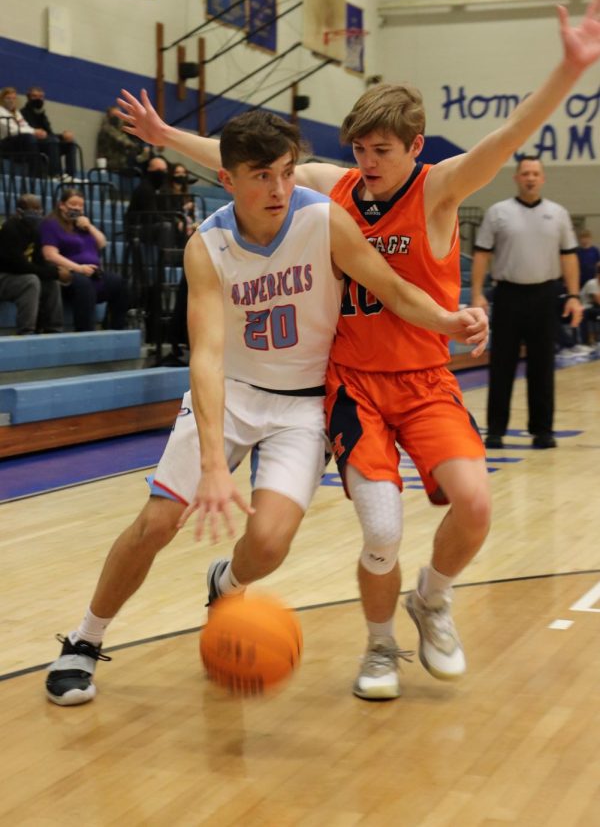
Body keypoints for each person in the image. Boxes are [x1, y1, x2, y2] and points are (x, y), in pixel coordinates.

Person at [117, 0, 600, 700]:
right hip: (355, 385)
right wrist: (164, 138)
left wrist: (567, 73)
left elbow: (505, 138)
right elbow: (246, 162)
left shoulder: (438, 188)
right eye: (360, 150)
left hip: (425, 378)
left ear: (415, 145)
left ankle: (431, 598)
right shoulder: (329, 187)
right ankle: (379, 649)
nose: (367, 161)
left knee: (476, 504)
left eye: (381, 150)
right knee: (381, 527)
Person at [45, 109, 488, 706]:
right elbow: (203, 359)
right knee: (156, 523)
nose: (278, 189)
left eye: (285, 172)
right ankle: (83, 640)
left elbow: (389, 285)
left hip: (303, 408)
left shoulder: (323, 217)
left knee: (270, 545)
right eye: (261, 176)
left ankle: (226, 583)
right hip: (230, 396)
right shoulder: (208, 245)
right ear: (228, 180)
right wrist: (209, 464)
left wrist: (446, 320)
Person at [471, 156, 583, 450]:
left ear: (542, 178)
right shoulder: (498, 213)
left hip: (545, 296)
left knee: (542, 366)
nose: (530, 178)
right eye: (525, 173)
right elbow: (482, 254)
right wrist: (476, 294)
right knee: (502, 365)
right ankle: (495, 429)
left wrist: (573, 296)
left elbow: (569, 256)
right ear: (517, 178)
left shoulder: (557, 214)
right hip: (508, 295)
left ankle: (542, 431)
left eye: (535, 173)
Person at [39, 188, 129, 331]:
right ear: (62, 205)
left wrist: (89, 226)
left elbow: (102, 243)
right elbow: (50, 254)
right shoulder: (51, 224)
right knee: (84, 284)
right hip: (68, 274)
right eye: (73, 204)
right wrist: (78, 268)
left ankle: (116, 329)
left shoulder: (81, 226)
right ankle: (85, 332)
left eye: (81, 205)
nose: (77, 208)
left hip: (92, 272)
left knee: (119, 283)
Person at [0, 194, 67, 334]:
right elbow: (18, 266)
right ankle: (26, 331)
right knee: (30, 281)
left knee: (51, 282)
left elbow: (39, 261)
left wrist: (55, 273)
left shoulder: (37, 230)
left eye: (38, 209)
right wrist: (55, 272)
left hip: (16, 276)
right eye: (31, 210)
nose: (36, 213)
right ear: (19, 212)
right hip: (5, 275)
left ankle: (54, 329)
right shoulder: (9, 229)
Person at [20, 85, 77, 178]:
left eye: (41, 97)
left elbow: (49, 133)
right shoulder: (23, 113)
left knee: (70, 142)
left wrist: (63, 135)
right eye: (35, 96)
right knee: (53, 141)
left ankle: (70, 175)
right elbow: (25, 131)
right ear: (28, 97)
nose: (38, 99)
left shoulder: (42, 114)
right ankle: (55, 174)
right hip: (33, 143)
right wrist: (36, 132)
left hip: (47, 141)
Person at [96, 105, 149, 171]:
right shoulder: (107, 129)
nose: (118, 118)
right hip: (111, 165)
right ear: (109, 116)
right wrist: (134, 146)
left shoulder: (120, 129)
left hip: (120, 163)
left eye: (119, 114)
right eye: (115, 115)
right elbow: (123, 141)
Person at [0, 86, 39, 166]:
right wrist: (33, 132)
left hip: (18, 139)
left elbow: (25, 125)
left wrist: (36, 132)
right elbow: (13, 130)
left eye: (13, 98)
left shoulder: (16, 112)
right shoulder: (1, 111)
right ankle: (36, 172)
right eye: (8, 98)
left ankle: (54, 173)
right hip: (5, 141)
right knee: (29, 138)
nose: (11, 101)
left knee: (50, 141)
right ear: (2, 99)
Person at [580, 260, 600, 345]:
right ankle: (590, 339)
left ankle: (595, 338)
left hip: (594, 308)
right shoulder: (592, 283)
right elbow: (598, 301)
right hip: (585, 308)